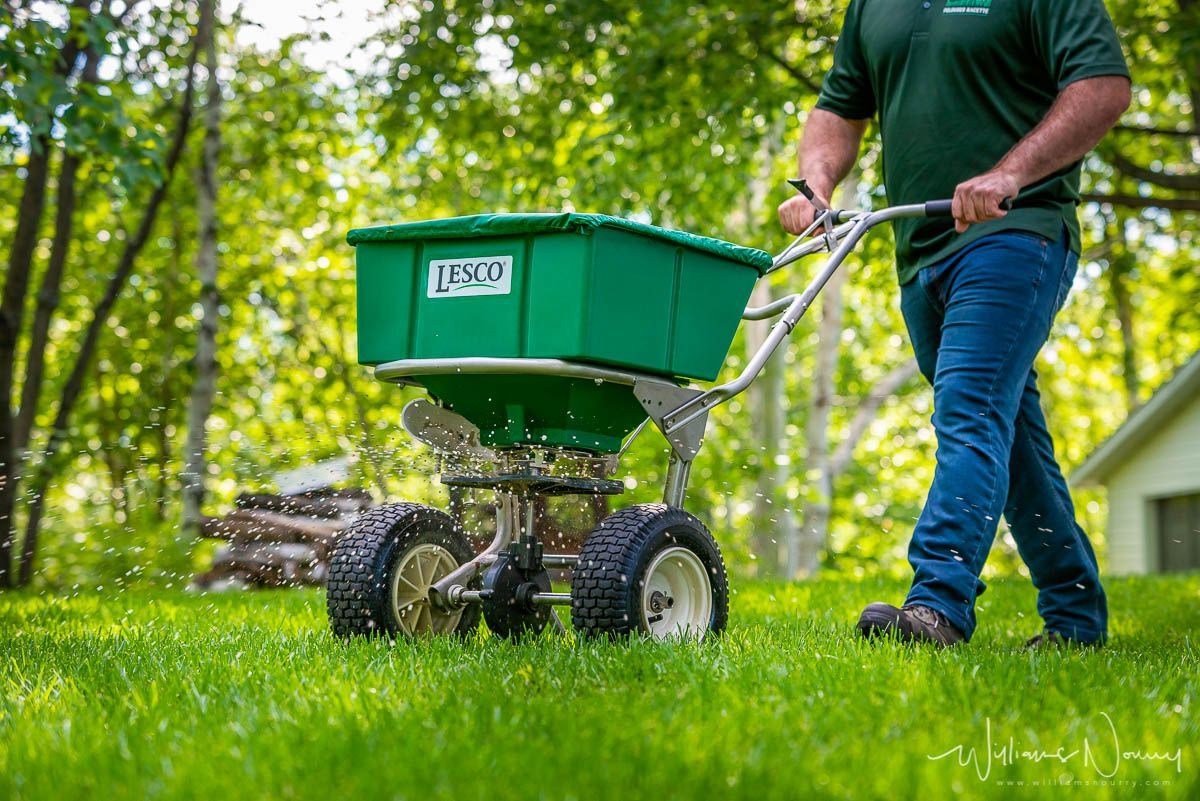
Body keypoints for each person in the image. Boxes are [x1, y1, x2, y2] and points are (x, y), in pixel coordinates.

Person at [778, 0, 1131, 647]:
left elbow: (1102, 86)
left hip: (1014, 233)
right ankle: (1076, 617)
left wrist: (1010, 172)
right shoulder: (872, 6)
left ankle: (937, 604)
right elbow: (839, 107)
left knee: (968, 409)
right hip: (917, 252)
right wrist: (816, 184)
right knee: (1012, 437)